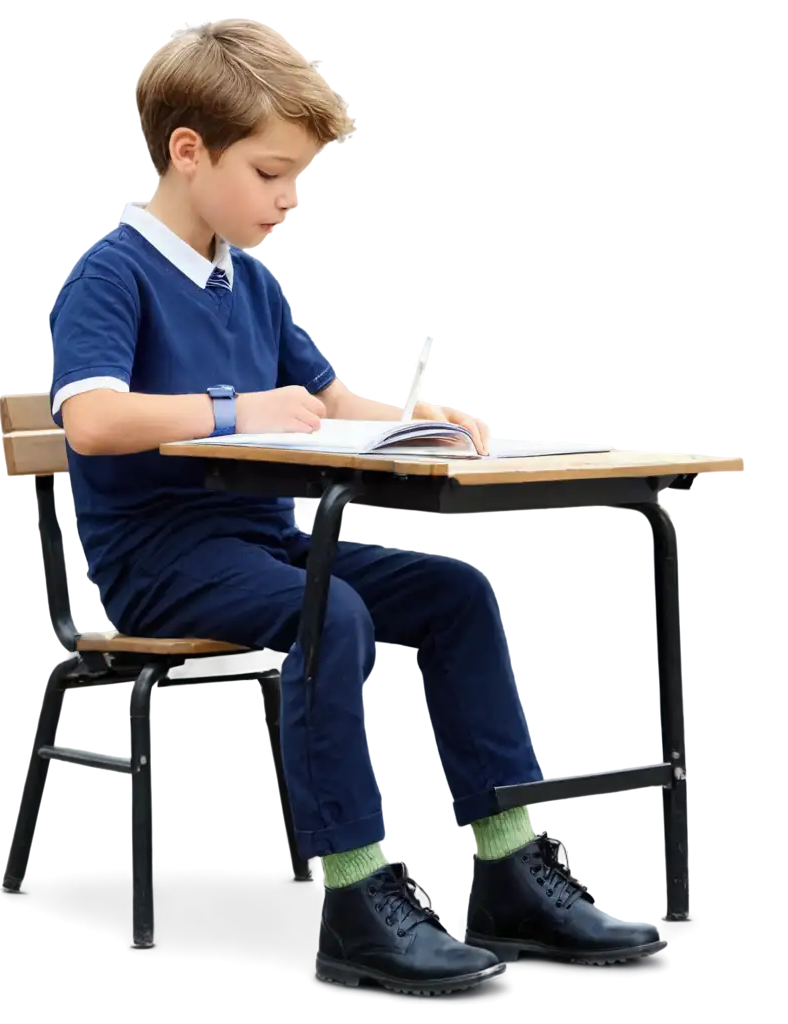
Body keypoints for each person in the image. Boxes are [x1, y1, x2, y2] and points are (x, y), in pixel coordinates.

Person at [45, 17, 663, 995]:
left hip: (265, 542)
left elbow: (330, 400)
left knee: (450, 594)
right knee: (326, 613)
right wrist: (233, 407)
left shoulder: (247, 282)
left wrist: (423, 421)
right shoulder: (110, 273)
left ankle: (509, 866)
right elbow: (91, 420)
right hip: (162, 560)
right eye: (270, 171)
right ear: (188, 150)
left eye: (297, 177)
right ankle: (354, 896)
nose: (288, 199)